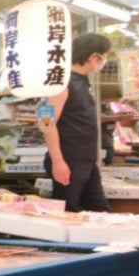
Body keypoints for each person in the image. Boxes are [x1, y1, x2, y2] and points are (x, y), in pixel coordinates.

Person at [41, 32, 113, 213]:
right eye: (105, 56)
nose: (105, 61)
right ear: (94, 57)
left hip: (86, 160)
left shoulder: (82, 81)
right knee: (67, 213)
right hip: (68, 160)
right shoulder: (60, 83)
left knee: (100, 212)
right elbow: (45, 123)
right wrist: (58, 162)